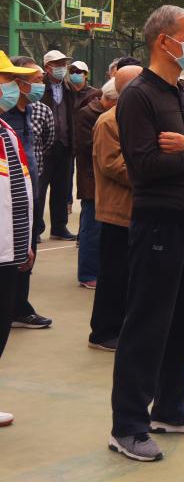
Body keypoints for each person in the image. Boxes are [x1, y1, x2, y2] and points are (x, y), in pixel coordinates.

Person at [108, 5, 184, 462]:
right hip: (159, 222)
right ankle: (128, 425)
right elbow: (143, 166)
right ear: (164, 41)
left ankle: (170, 407)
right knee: (148, 322)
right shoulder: (139, 96)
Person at [88, 65, 143, 352]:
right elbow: (112, 164)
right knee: (114, 274)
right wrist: (154, 173)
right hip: (118, 211)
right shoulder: (108, 121)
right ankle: (104, 332)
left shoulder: (139, 118)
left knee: (133, 276)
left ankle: (123, 327)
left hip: (141, 210)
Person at [0, 50, 38, 428]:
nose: (13, 87)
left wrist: (23, 242)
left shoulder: (6, 131)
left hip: (8, 250)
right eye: (7, 79)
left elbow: (19, 192)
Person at [3, 57, 51, 330]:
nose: (11, 87)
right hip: (6, 210)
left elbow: (45, 144)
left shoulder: (28, 114)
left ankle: (18, 306)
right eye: (8, 80)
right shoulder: (6, 118)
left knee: (23, 261)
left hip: (26, 199)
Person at [73, 78, 116, 288]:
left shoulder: (108, 114)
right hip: (91, 180)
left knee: (103, 229)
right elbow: (87, 146)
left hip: (105, 180)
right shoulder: (88, 114)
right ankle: (88, 273)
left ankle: (100, 271)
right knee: (92, 228)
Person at [38, 49, 77, 241]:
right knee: (39, 189)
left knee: (62, 188)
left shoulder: (70, 88)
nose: (63, 67)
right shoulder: (39, 87)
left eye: (64, 63)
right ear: (47, 67)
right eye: (58, 64)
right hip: (43, 147)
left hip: (65, 144)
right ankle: (36, 229)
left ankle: (59, 227)